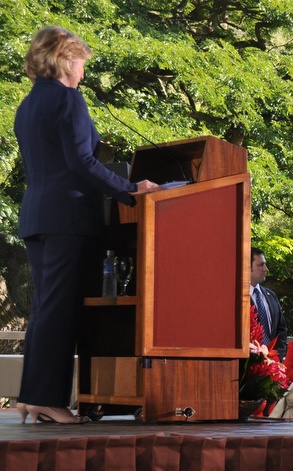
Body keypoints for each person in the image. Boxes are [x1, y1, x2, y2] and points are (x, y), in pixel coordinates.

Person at [14, 26, 158, 425]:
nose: (83, 72)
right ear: (64, 60)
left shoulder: (26, 106)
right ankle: (46, 399)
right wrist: (131, 189)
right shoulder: (68, 100)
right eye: (80, 62)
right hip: (68, 217)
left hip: (37, 216)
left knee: (45, 307)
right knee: (59, 310)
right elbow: (82, 162)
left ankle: (32, 397)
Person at [250, 247, 288, 361]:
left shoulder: (270, 295)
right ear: (247, 266)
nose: (266, 269)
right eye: (261, 265)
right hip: (248, 365)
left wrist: (277, 358)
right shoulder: (237, 297)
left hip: (272, 364)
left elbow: (282, 330)